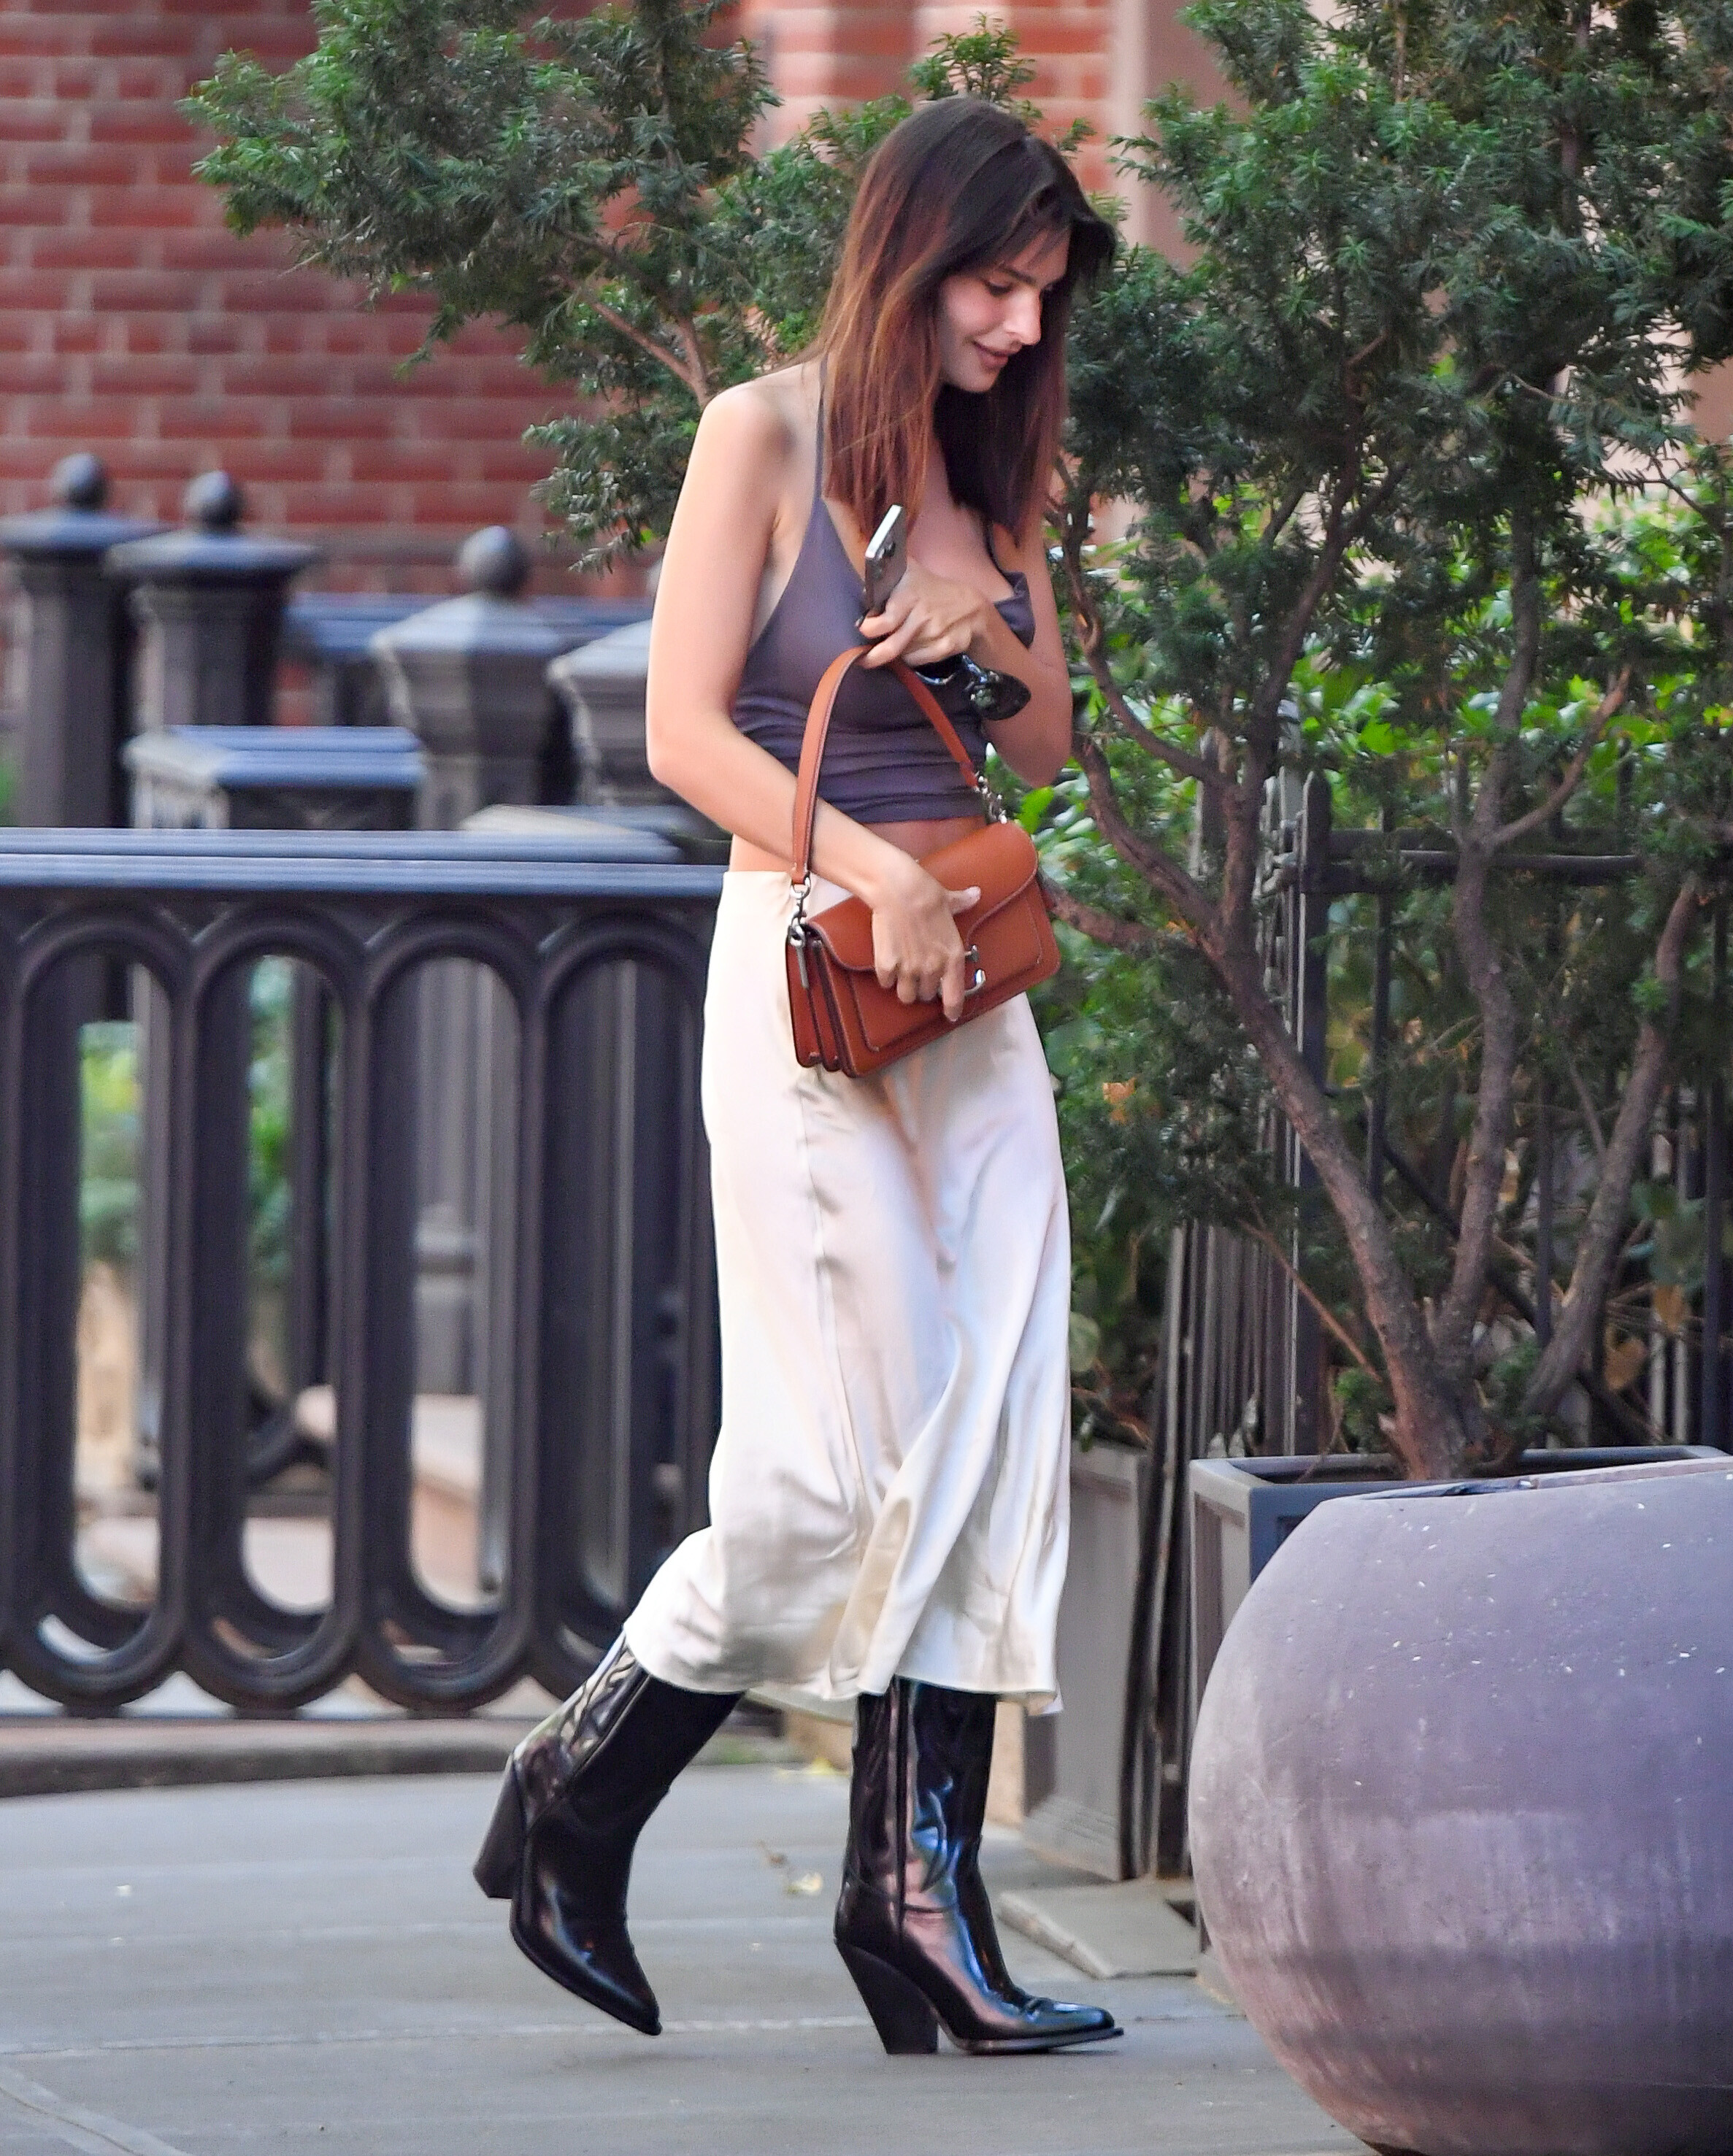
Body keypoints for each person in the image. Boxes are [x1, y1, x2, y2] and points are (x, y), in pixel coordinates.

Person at [474, 96, 1118, 2059]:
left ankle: (914, 1902)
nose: (1019, 326)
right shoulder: (756, 434)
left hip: (970, 996)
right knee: (833, 1470)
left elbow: (1048, 746)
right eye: (994, 287)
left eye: (1043, 294)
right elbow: (682, 733)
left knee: (990, 1432)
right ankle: (581, 1784)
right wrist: (874, 866)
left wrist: (987, 629)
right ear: (910, 258)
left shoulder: (993, 466)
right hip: (810, 976)